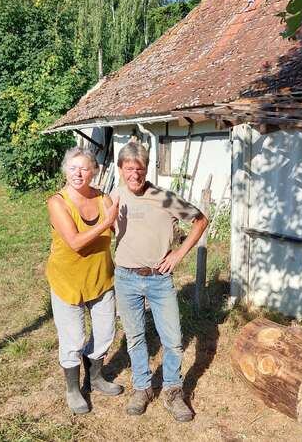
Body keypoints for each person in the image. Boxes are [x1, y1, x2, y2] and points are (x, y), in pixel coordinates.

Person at [112, 141, 208, 422]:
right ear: (120, 169)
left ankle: (173, 391)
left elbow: (201, 220)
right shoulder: (115, 196)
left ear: (146, 169)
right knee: (135, 337)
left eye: (139, 169)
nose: (134, 175)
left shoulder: (164, 197)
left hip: (159, 278)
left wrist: (178, 254)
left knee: (173, 340)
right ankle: (142, 388)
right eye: (129, 169)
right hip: (126, 277)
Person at [46, 147, 122, 415]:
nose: (78, 173)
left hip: (101, 278)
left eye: (84, 168)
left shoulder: (103, 198)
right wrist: (106, 223)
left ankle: (96, 376)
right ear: (65, 170)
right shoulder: (58, 202)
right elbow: (76, 242)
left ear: (94, 171)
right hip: (68, 281)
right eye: (72, 168)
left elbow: (120, 228)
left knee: (104, 334)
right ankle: (72, 389)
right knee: (73, 339)